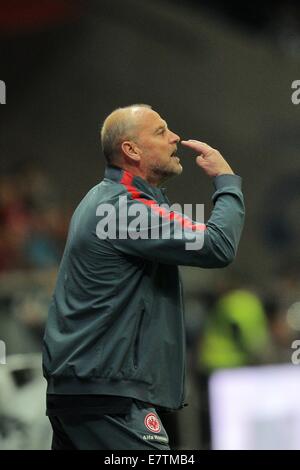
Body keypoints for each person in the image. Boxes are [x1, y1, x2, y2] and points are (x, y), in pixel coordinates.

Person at [42, 104, 245, 450]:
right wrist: (226, 181)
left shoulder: (107, 201)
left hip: (87, 390)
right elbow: (218, 245)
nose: (175, 138)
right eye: (161, 131)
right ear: (131, 150)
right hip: (106, 395)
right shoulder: (121, 209)